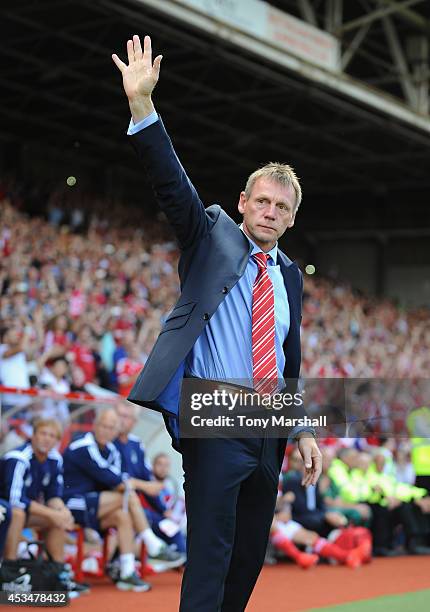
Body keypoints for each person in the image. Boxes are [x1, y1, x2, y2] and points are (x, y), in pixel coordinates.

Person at [112, 34, 322, 611]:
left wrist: (301, 429)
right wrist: (142, 108)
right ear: (243, 202)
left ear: (291, 218)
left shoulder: (290, 278)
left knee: (249, 556)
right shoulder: (210, 237)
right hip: (216, 412)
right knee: (211, 553)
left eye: (282, 207)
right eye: (262, 202)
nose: (270, 213)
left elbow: (289, 363)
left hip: (268, 425)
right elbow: (171, 185)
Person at [62, 408, 183, 592]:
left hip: (97, 505)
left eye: (111, 428)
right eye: (103, 426)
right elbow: (114, 479)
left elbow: (120, 481)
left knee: (123, 516)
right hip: (71, 504)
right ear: (95, 425)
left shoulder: (113, 448)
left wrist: (135, 485)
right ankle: (153, 544)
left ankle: (127, 572)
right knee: (128, 496)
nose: (106, 431)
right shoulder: (83, 446)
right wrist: (143, 486)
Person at [114, 401, 186, 556]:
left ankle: (179, 556)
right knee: (139, 514)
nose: (120, 420)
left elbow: (149, 484)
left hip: (135, 505)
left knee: (173, 530)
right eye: (119, 415)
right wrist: (140, 485)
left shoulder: (136, 444)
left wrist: (163, 509)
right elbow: (118, 481)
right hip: (117, 502)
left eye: (126, 417)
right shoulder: (108, 443)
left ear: (134, 422)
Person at [0, 418, 74, 562]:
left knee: (59, 519)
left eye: (52, 436)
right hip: (6, 510)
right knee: (17, 514)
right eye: (43, 433)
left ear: (57, 441)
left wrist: (62, 511)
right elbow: (15, 501)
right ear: (33, 435)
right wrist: (52, 514)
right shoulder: (19, 458)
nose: (47, 439)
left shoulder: (55, 459)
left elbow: (54, 495)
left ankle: (58, 572)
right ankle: (10, 568)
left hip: (28, 510)